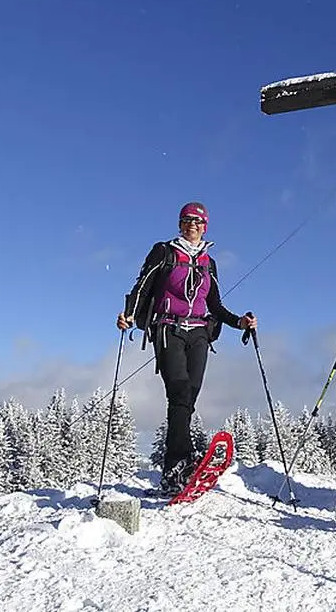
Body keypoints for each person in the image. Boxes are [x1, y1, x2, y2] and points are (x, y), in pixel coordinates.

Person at [117, 201, 258, 495]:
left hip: (199, 334)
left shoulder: (209, 262)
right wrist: (129, 314)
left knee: (188, 398)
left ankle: (174, 469)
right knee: (179, 391)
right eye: (186, 220)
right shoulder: (164, 251)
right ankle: (181, 462)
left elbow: (215, 304)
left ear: (205, 226)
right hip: (169, 329)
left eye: (197, 221)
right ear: (180, 224)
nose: (192, 224)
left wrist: (239, 323)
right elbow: (143, 286)